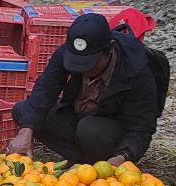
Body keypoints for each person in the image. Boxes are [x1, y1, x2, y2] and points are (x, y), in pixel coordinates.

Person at [9, 13, 165, 165]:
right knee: (24, 111)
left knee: (89, 129)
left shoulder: (136, 69)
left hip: (109, 130)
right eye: (77, 63)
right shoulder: (69, 51)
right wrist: (26, 130)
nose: (84, 69)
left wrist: (123, 156)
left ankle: (101, 162)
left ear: (109, 49)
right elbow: (45, 89)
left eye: (91, 63)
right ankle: (85, 163)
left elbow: (141, 128)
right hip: (78, 117)